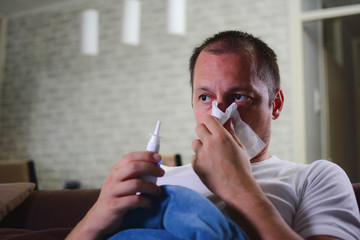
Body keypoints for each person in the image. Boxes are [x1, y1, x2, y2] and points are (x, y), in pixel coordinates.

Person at [66, 30, 360, 240]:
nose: (219, 115)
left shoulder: (315, 178)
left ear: (276, 104)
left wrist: (238, 187)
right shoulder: (158, 179)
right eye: (205, 98)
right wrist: (97, 217)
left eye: (240, 97)